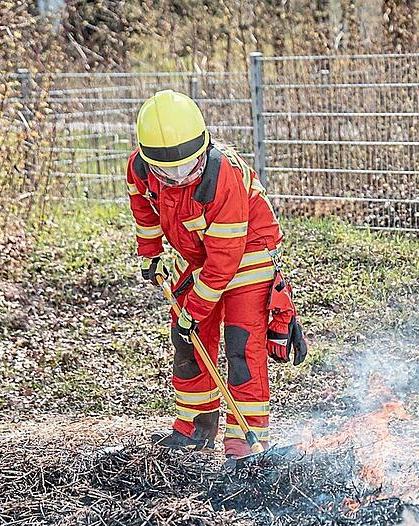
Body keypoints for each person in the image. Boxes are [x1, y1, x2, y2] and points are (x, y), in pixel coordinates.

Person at [125, 90, 307, 459]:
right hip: (196, 253)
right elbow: (144, 210)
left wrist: (195, 309)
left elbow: (224, 259)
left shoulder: (224, 175)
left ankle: (244, 445)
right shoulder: (140, 170)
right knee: (187, 341)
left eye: (188, 167)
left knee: (242, 346)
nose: (179, 177)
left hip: (247, 250)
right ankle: (196, 428)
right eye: (168, 172)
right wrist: (151, 253)